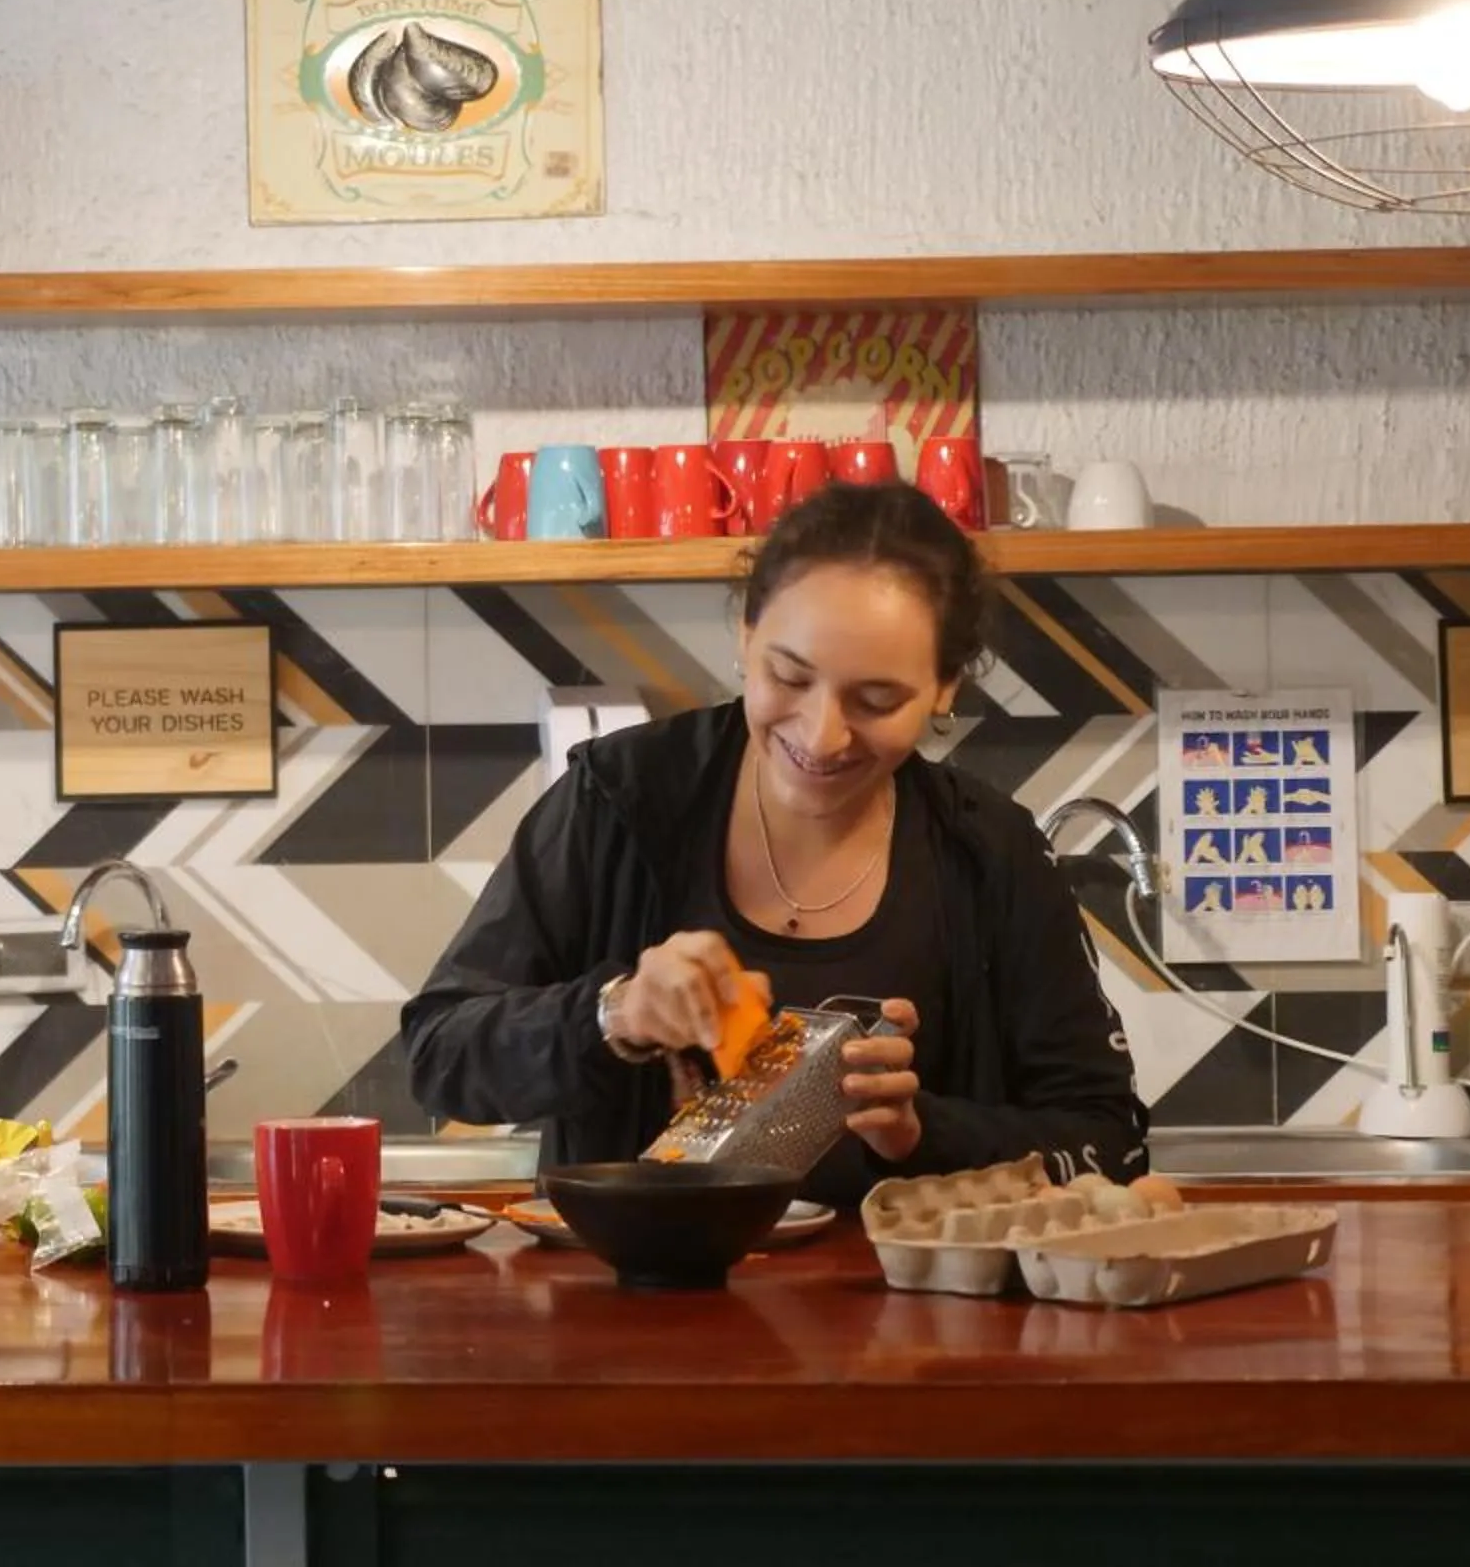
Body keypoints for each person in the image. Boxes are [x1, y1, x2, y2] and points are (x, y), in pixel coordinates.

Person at [402, 481, 1148, 1207]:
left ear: (946, 686)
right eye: (788, 676)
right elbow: (440, 1052)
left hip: (907, 1325)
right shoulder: (620, 798)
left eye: (877, 700)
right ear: (746, 636)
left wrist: (923, 1134)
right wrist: (614, 1014)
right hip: (625, 1313)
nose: (822, 736)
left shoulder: (993, 854)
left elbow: (1111, 1140)